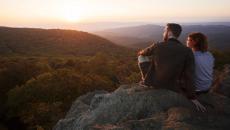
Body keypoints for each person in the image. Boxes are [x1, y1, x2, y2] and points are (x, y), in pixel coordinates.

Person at [138, 23, 206, 112]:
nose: (163, 33)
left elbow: (142, 54)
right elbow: (189, 75)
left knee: (141, 57)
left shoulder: (158, 45)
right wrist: (192, 97)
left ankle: (145, 80)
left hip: (154, 83)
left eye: (164, 31)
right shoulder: (187, 51)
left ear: (169, 32)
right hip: (173, 86)